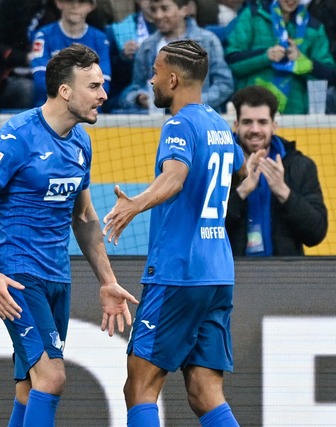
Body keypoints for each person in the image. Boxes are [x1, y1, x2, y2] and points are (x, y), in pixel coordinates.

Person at [0, 44, 138, 426]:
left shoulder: (81, 142)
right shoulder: (16, 137)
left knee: (30, 386)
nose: (104, 95)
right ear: (65, 91)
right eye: (94, 86)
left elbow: (84, 217)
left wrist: (107, 282)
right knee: (52, 377)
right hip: (18, 277)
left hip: (57, 277)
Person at [103, 39, 245, 426]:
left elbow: (176, 176)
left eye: (154, 73)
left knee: (140, 387)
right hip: (218, 272)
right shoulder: (218, 124)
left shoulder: (179, 124)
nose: (150, 81)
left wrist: (135, 203)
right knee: (204, 391)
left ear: (172, 78)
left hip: (178, 272)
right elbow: (240, 169)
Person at [226, 85, 328, 256]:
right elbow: (204, 230)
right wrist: (242, 191)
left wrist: (283, 191)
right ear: (236, 124)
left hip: (284, 276)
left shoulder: (300, 166)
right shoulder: (220, 164)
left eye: (262, 122)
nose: (255, 129)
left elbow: (316, 234)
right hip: (233, 274)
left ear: (274, 125)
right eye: (247, 122)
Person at [111, 0, 233, 114]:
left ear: (185, 9)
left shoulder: (208, 41)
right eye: (154, 10)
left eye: (164, 9)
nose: (158, 15)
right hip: (157, 125)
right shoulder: (147, 46)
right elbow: (134, 87)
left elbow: (224, 84)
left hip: (199, 118)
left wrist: (193, 102)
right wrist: (138, 98)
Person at [225, 0, 336, 114]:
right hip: (252, 106)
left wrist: (305, 63)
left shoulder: (314, 27)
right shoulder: (254, 15)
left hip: (295, 114)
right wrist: (265, 56)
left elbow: (330, 75)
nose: (291, 1)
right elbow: (233, 60)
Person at [30, 0, 112, 107]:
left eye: (81, 2)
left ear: (91, 6)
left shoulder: (100, 39)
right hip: (49, 110)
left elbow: (104, 84)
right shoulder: (43, 35)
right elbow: (41, 80)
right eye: (70, 1)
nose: (75, 6)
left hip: (89, 111)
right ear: (59, 3)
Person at [104, 0, 156, 109]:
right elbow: (108, 79)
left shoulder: (188, 34)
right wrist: (123, 58)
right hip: (130, 105)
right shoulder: (117, 31)